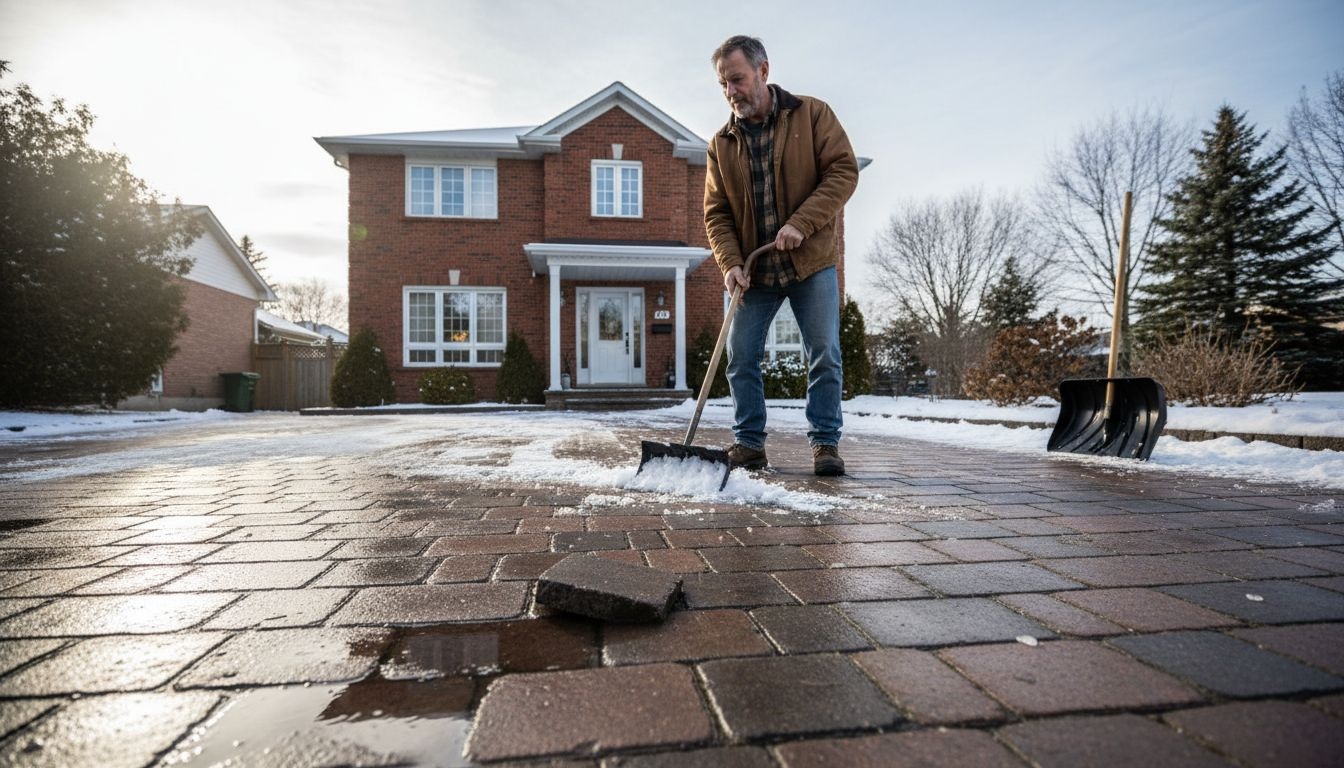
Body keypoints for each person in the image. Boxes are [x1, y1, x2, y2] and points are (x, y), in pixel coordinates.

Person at [704, 35, 859, 476]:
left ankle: (825, 444)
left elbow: (843, 171)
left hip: (809, 262)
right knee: (741, 355)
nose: (731, 91)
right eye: (723, 84)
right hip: (756, 269)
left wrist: (802, 223)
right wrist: (730, 262)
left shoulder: (811, 115)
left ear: (763, 71)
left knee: (824, 352)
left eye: (737, 79)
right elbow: (716, 213)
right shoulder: (722, 143)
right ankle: (749, 443)